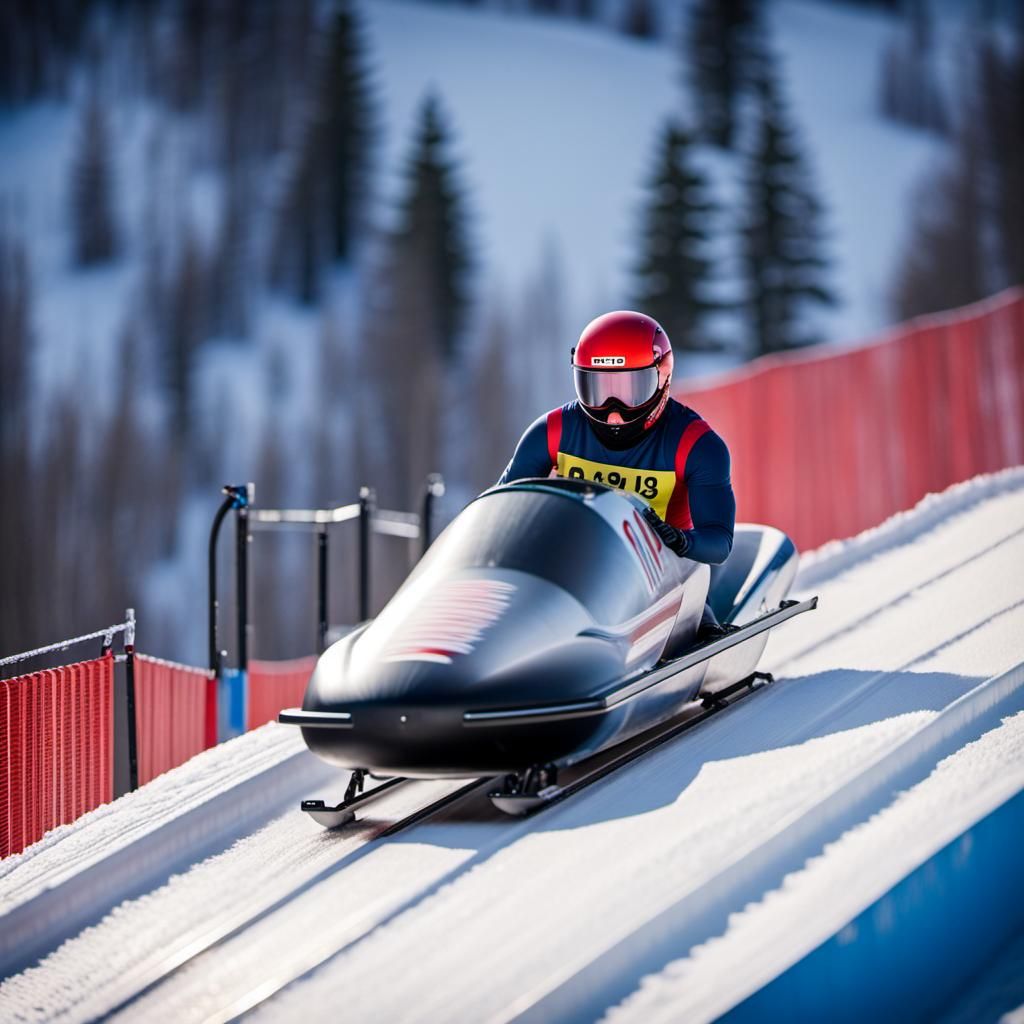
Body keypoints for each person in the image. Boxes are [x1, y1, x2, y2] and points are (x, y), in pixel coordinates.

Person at [498, 310, 736, 642]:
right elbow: (499, 510)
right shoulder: (550, 433)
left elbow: (719, 542)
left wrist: (679, 540)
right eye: (597, 389)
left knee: (697, 611)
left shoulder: (696, 446)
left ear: (662, 378)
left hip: (659, 581)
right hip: (568, 572)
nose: (613, 412)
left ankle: (703, 626)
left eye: (629, 390)